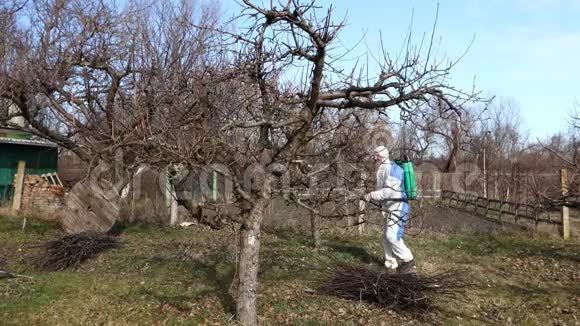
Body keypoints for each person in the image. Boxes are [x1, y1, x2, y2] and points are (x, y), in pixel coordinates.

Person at [363, 145, 416, 274]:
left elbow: (389, 192)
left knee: (392, 236)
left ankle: (408, 260)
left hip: (398, 206)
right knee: (386, 237)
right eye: (374, 155)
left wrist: (371, 196)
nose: (374, 158)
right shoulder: (381, 169)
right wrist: (380, 203)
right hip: (388, 206)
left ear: (384, 156)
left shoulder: (394, 169)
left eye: (377, 155)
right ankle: (390, 264)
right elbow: (382, 189)